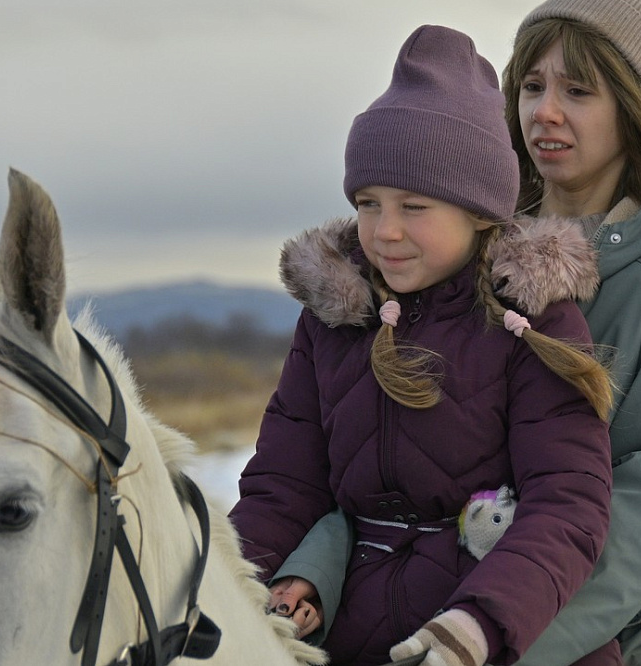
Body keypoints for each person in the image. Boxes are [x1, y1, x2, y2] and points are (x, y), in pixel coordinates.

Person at [268, 1, 641, 665]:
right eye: (531, 86)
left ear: (635, 107)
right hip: (450, 596)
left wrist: (501, 634)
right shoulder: (461, 228)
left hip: (632, 607)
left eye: (578, 91)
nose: (544, 111)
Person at [228, 24, 618, 666]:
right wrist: (228, 589)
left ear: (478, 210)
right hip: (350, 636)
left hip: (502, 637)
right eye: (368, 202)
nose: (384, 231)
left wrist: (479, 625)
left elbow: (568, 505)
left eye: (414, 206)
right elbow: (283, 485)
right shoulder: (334, 317)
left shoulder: (533, 320)